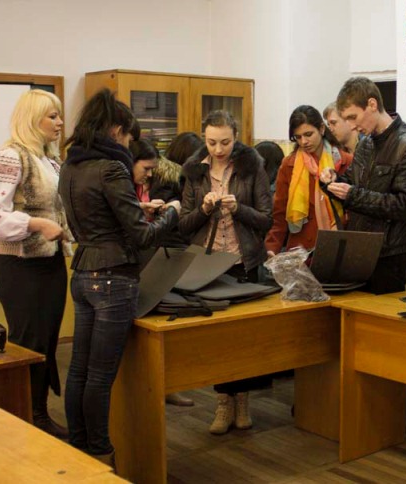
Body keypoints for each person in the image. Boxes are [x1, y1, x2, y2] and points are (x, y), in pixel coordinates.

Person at [58, 89, 180, 466]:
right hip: (113, 279)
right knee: (100, 376)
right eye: (127, 136)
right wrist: (172, 213)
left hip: (83, 274)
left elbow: (96, 215)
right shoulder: (111, 168)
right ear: (115, 130)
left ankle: (78, 450)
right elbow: (141, 237)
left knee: (79, 370)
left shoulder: (71, 166)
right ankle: (100, 455)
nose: (128, 144)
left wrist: (137, 209)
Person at [329, 77, 406, 433]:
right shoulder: (367, 144)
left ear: (372, 104)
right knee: (361, 332)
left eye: (354, 117)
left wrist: (353, 195)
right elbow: (356, 189)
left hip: (391, 251)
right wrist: (335, 183)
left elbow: (405, 206)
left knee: (390, 335)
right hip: (361, 245)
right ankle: (369, 409)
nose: (352, 126)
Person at [0, 89, 72, 438]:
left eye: (59, 115)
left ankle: (38, 413)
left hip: (50, 262)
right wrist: (35, 224)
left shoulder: (49, 160)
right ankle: (26, 417)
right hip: (19, 265)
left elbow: (59, 211)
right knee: (29, 341)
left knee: (46, 340)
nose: (60, 122)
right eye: (52, 116)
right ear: (32, 120)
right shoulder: (10, 157)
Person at [178, 110, 272, 435]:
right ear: (204, 139)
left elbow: (266, 219)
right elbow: (183, 224)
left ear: (236, 137)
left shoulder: (253, 166)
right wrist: (204, 209)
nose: (218, 149)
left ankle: (242, 401)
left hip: (243, 263)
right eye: (212, 142)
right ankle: (222, 402)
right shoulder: (194, 170)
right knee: (217, 340)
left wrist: (238, 208)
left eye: (225, 142)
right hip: (208, 264)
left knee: (243, 339)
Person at [129, 140, 195, 408]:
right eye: (146, 168)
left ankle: (166, 386)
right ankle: (142, 386)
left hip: (158, 254)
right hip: (137, 259)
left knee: (162, 327)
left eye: (152, 168)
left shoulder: (163, 180)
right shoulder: (121, 183)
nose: (149, 173)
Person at [265, 105, 353, 256]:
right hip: (300, 250)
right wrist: (272, 247)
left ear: (322, 129)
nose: (304, 141)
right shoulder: (289, 165)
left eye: (308, 134)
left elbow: (355, 207)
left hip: (337, 244)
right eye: (298, 137)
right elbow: (279, 213)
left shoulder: (346, 161)